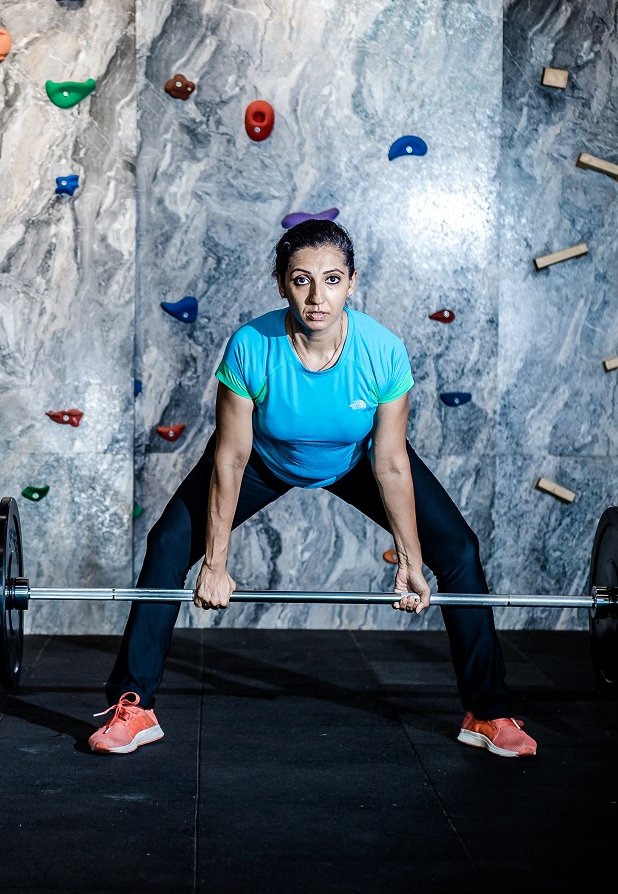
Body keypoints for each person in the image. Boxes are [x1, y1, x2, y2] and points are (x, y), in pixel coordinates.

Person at [90, 219, 537, 759]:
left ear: (351, 283)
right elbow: (229, 457)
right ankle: (134, 705)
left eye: (331, 280)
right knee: (166, 544)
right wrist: (215, 561)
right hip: (263, 458)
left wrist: (410, 560)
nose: (316, 296)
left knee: (460, 551)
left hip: (358, 460)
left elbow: (392, 463)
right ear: (281, 284)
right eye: (301, 280)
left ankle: (487, 711)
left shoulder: (383, 351)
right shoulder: (252, 346)